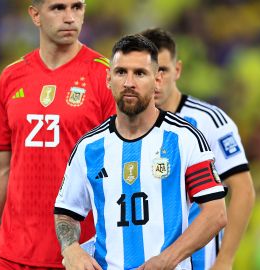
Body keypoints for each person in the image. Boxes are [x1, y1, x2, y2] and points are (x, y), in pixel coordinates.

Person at [0, 0, 116, 269]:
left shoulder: (105, 76)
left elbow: (121, 168)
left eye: (77, 7)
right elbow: (0, 166)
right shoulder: (12, 77)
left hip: (78, 254)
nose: (70, 17)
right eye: (58, 8)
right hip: (10, 254)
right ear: (35, 15)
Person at [54, 34, 228, 270]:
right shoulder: (89, 147)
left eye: (140, 73)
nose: (129, 82)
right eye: (121, 72)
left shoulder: (185, 138)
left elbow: (216, 214)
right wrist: (71, 249)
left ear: (157, 80)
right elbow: (66, 213)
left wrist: (166, 260)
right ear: (108, 79)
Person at [140, 28, 255, 270]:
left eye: (163, 70)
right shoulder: (128, 125)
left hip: (199, 262)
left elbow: (243, 190)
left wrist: (225, 259)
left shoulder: (208, 120)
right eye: (148, 71)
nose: (157, 80)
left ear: (178, 69)